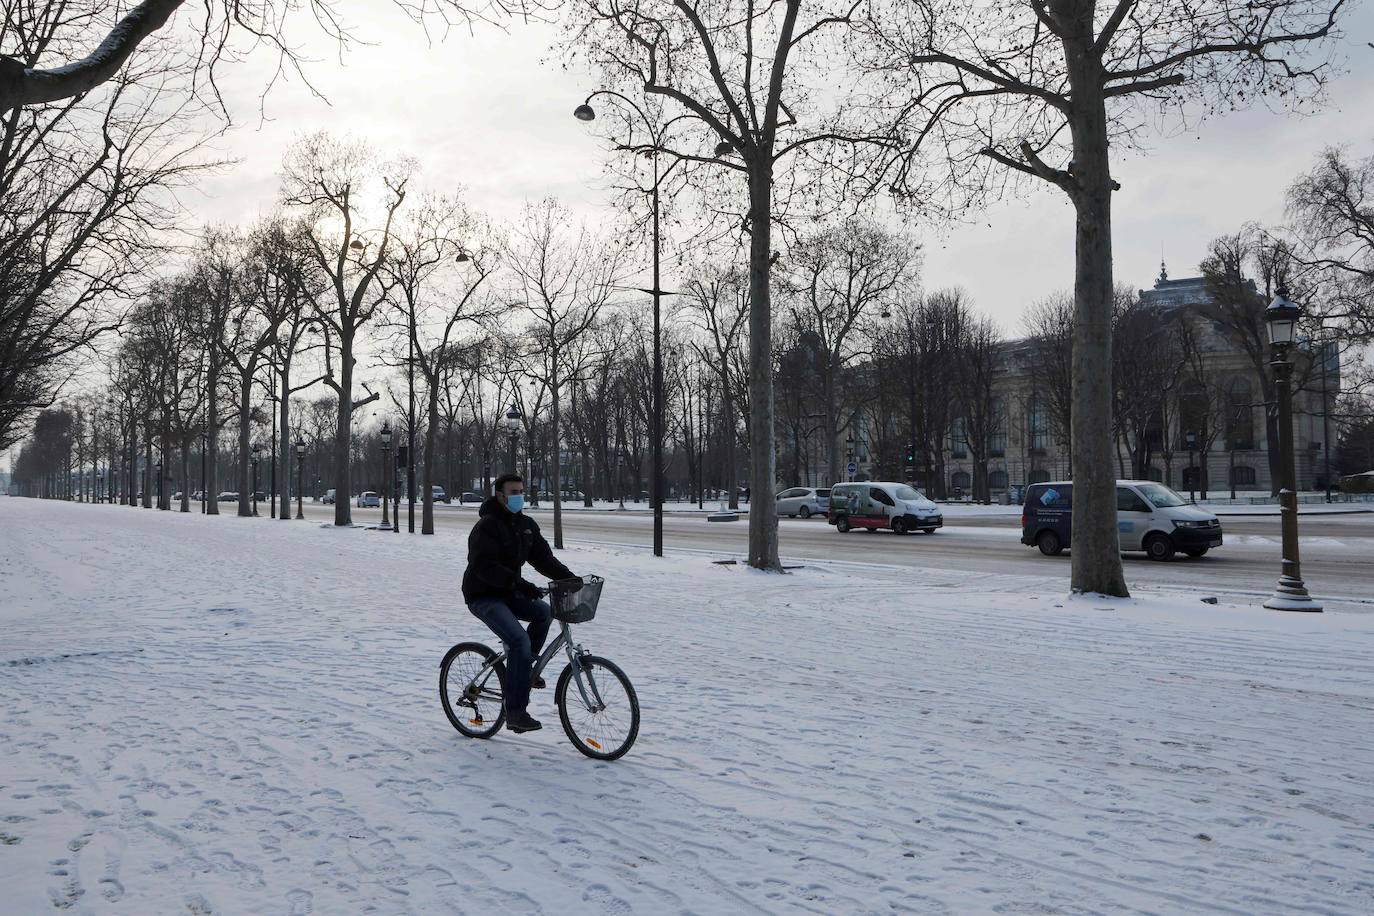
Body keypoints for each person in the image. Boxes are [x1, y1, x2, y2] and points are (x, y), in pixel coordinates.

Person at [462, 474, 577, 734]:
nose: (519, 497)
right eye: (514, 492)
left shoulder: (525, 525)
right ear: (500, 495)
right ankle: (515, 712)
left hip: (509, 591)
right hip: (483, 594)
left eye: (521, 491)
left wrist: (569, 579)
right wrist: (520, 585)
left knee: (544, 613)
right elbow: (484, 566)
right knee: (518, 641)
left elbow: (543, 559)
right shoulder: (486, 526)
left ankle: (523, 670)